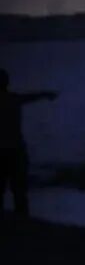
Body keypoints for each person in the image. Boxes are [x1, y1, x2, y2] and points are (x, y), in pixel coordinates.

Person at [0, 69, 59, 223]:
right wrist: (46, 94)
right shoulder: (14, 99)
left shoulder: (14, 99)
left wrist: (45, 94)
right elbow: (32, 97)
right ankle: (23, 221)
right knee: (19, 190)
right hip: (16, 150)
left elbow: (32, 97)